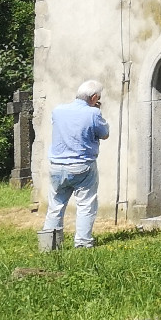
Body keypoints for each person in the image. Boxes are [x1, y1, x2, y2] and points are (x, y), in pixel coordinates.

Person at [41, 79, 109, 250]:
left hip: (57, 165)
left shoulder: (58, 111)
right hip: (82, 166)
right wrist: (96, 112)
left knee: (55, 205)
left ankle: (49, 245)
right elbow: (104, 133)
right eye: (98, 97)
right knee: (86, 204)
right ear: (94, 97)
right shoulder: (93, 114)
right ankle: (83, 243)